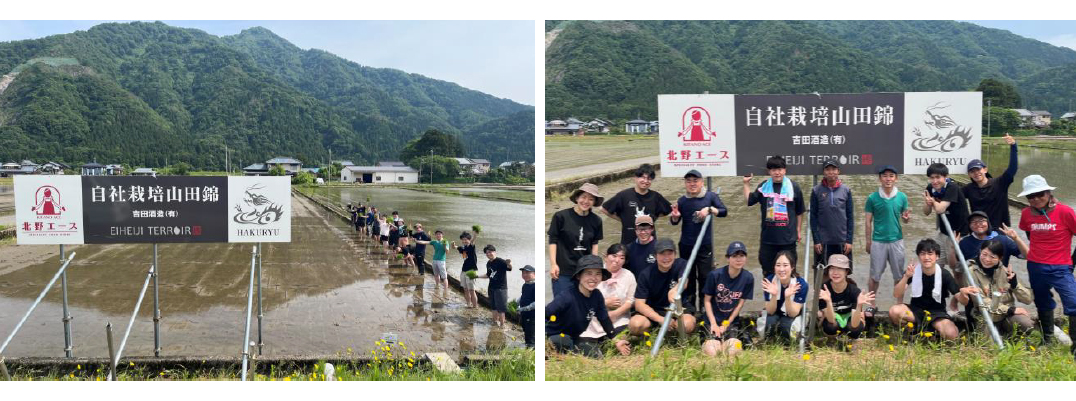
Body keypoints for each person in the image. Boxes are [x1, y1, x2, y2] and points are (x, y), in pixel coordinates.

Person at [1017, 175, 1076, 352]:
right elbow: (1030, 234)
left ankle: (1075, 345)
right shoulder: (1026, 214)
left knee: (1073, 303)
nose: (1035, 199)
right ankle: (1047, 339)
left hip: (1061, 267)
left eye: (1040, 194)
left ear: (1048, 192)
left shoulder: (1065, 212)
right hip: (1035, 266)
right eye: (1030, 196)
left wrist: (1072, 262)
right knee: (1042, 301)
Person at [887, 239, 976, 340]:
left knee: (951, 334)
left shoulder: (944, 274)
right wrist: (906, 276)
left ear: (937, 256)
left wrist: (963, 293)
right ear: (919, 256)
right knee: (894, 311)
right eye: (922, 254)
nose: (926, 257)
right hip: (916, 310)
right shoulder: (913, 271)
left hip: (937, 313)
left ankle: (931, 334)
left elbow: (962, 301)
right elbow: (896, 294)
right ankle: (913, 332)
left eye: (930, 254)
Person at [546, 255, 630, 357]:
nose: (593, 278)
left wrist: (616, 340)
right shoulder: (566, 297)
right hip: (554, 336)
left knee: (596, 355)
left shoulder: (597, 295)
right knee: (565, 341)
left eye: (598, 274)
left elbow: (604, 319)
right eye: (588, 273)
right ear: (579, 276)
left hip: (574, 337)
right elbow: (545, 313)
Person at [670, 169, 727, 313]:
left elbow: (724, 211)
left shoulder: (710, 196)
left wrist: (710, 209)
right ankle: (689, 306)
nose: (692, 184)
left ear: (701, 182)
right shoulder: (682, 200)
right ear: (685, 184)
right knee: (687, 276)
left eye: (695, 181)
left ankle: (704, 305)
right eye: (688, 181)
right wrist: (675, 217)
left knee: (705, 276)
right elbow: (674, 222)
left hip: (704, 245)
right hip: (686, 245)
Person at [743, 156, 806, 278]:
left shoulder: (794, 187)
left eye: (780, 169)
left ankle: (788, 291)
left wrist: (798, 230)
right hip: (768, 240)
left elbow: (799, 211)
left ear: (785, 170)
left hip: (788, 240)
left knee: (789, 274)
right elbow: (749, 201)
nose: (777, 172)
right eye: (773, 170)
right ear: (769, 171)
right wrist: (746, 183)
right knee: (768, 274)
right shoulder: (764, 187)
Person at [864, 165, 911, 324]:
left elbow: (905, 218)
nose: (888, 179)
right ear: (880, 178)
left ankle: (899, 303)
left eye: (891, 176)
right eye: (885, 176)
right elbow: (868, 221)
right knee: (874, 275)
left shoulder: (902, 197)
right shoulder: (872, 198)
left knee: (899, 275)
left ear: (896, 178)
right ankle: (871, 304)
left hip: (897, 240)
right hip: (878, 241)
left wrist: (906, 219)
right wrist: (868, 242)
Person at [965, 239, 1035, 336]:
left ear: (1000, 258)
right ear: (980, 252)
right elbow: (981, 301)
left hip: (1005, 316)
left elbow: (1028, 300)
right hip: (984, 317)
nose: (987, 259)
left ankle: (1010, 335)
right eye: (984, 254)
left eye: (992, 257)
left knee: (1027, 324)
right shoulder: (971, 272)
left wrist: (1015, 284)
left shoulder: (1005, 271)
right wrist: (1010, 310)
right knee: (989, 344)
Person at [628, 238, 697, 337]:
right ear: (655, 256)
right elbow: (639, 304)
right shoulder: (646, 274)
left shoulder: (681, 264)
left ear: (675, 254)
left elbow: (683, 282)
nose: (666, 258)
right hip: (655, 309)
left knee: (687, 325)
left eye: (670, 254)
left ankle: (676, 333)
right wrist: (660, 319)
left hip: (678, 307)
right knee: (636, 325)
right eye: (662, 254)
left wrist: (674, 290)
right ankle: (652, 332)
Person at [548, 183, 604, 299]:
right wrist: (553, 264)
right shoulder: (561, 216)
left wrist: (594, 267)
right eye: (583, 197)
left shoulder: (596, 220)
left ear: (594, 202)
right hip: (563, 271)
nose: (586, 201)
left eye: (591, 199)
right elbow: (553, 241)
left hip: (584, 272)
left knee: (582, 304)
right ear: (577, 198)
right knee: (562, 304)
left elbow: (594, 244)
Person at [701, 241, 754, 357]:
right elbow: (707, 301)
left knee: (731, 350)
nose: (738, 259)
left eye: (742, 256)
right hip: (712, 320)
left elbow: (740, 304)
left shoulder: (748, 278)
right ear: (727, 258)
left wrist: (727, 323)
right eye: (734, 256)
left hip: (730, 322)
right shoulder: (715, 275)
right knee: (712, 351)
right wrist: (713, 323)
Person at [600, 163, 673, 244]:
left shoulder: (655, 196)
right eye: (643, 177)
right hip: (629, 240)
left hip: (649, 241)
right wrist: (623, 219)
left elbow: (668, 210)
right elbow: (604, 209)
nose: (645, 181)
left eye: (649, 179)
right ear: (635, 178)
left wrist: (653, 217)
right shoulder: (624, 195)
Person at [581, 244, 636, 348]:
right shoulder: (594, 273)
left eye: (622, 258)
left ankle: (612, 343)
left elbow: (630, 301)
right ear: (606, 256)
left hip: (618, 319)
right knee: (585, 344)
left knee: (621, 337)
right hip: (594, 321)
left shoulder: (628, 275)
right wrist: (605, 302)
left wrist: (615, 313)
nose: (617, 260)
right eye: (614, 256)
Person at [963, 133, 1018, 229]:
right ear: (969, 175)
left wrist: (1013, 146)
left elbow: (1012, 169)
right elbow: (953, 196)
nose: (976, 173)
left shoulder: (1000, 183)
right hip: (979, 229)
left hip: (999, 228)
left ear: (985, 170)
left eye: (978, 170)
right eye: (972, 171)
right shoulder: (968, 189)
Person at [922, 162, 971, 265]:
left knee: (956, 267)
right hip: (943, 232)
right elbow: (926, 212)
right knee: (934, 264)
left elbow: (940, 209)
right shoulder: (930, 188)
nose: (935, 181)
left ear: (945, 177)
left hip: (959, 234)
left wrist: (933, 201)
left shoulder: (952, 187)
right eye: (932, 178)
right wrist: (927, 203)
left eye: (938, 177)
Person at [817, 254, 874, 342]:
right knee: (830, 327)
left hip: (850, 318)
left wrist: (859, 305)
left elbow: (854, 325)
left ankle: (850, 338)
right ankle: (833, 339)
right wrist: (828, 301)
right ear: (828, 270)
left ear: (846, 272)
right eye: (832, 268)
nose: (835, 272)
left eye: (840, 269)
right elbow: (831, 320)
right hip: (833, 318)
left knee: (854, 330)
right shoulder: (823, 289)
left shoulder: (854, 291)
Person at [810, 159, 854, 266]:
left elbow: (850, 217)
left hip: (842, 241)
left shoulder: (846, 190)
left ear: (838, 171)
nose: (831, 172)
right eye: (828, 169)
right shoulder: (816, 191)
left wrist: (849, 240)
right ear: (824, 172)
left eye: (834, 169)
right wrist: (816, 240)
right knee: (824, 271)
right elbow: (813, 217)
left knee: (843, 271)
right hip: (823, 242)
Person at [761, 250, 808, 343]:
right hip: (775, 312)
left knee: (786, 327)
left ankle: (788, 343)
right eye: (778, 265)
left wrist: (787, 297)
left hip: (792, 314)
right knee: (769, 324)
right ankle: (770, 342)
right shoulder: (769, 281)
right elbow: (770, 311)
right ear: (774, 267)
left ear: (792, 267)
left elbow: (793, 313)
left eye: (785, 265)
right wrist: (774, 295)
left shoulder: (801, 284)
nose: (781, 269)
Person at [956, 211, 1027, 268]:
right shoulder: (964, 243)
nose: (978, 224)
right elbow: (956, 267)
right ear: (969, 226)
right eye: (973, 222)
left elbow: (1026, 256)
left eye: (981, 220)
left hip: (1002, 278)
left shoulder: (1003, 239)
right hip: (976, 279)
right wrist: (954, 247)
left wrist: (1016, 238)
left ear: (988, 223)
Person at [475, 244, 511, 326]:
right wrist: (477, 276)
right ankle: (494, 323)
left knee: (501, 309)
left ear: (495, 252)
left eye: (490, 252)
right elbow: (488, 275)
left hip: (501, 289)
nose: (488, 254)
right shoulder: (488, 263)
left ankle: (502, 325)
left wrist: (509, 263)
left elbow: (509, 268)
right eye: (487, 253)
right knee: (493, 307)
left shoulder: (501, 261)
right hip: (491, 287)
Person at [453, 231, 480, 308]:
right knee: (465, 289)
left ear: (469, 240)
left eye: (466, 239)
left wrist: (475, 234)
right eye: (463, 239)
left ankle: (475, 306)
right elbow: (456, 247)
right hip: (464, 270)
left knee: (472, 290)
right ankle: (468, 304)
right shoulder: (463, 248)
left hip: (472, 270)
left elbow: (473, 240)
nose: (464, 241)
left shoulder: (471, 247)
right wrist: (453, 245)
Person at [518, 265, 536, 348]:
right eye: (523, 273)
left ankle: (531, 349)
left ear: (534, 274)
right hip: (524, 314)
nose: (524, 275)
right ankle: (527, 346)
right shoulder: (525, 285)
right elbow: (523, 296)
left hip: (532, 316)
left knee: (531, 335)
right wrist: (517, 302)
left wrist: (524, 308)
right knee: (526, 332)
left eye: (527, 273)